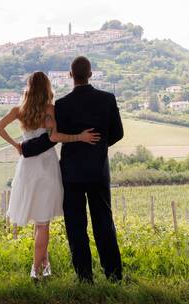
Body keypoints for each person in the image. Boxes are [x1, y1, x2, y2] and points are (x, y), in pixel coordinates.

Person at [21, 56, 124, 282]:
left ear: (70, 75)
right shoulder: (108, 99)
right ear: (91, 73)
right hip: (98, 172)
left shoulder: (63, 105)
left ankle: (85, 277)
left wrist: (24, 148)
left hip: (72, 174)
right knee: (104, 222)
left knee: (76, 227)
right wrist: (98, 147)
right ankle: (114, 276)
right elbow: (118, 134)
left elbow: (53, 138)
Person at [0, 71, 101, 279]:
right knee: (43, 223)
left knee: (39, 220)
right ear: (47, 88)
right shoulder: (50, 110)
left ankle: (45, 264)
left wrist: (17, 145)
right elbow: (56, 137)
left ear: (29, 87)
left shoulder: (18, 110)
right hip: (47, 167)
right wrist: (81, 136)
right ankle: (36, 270)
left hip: (27, 168)